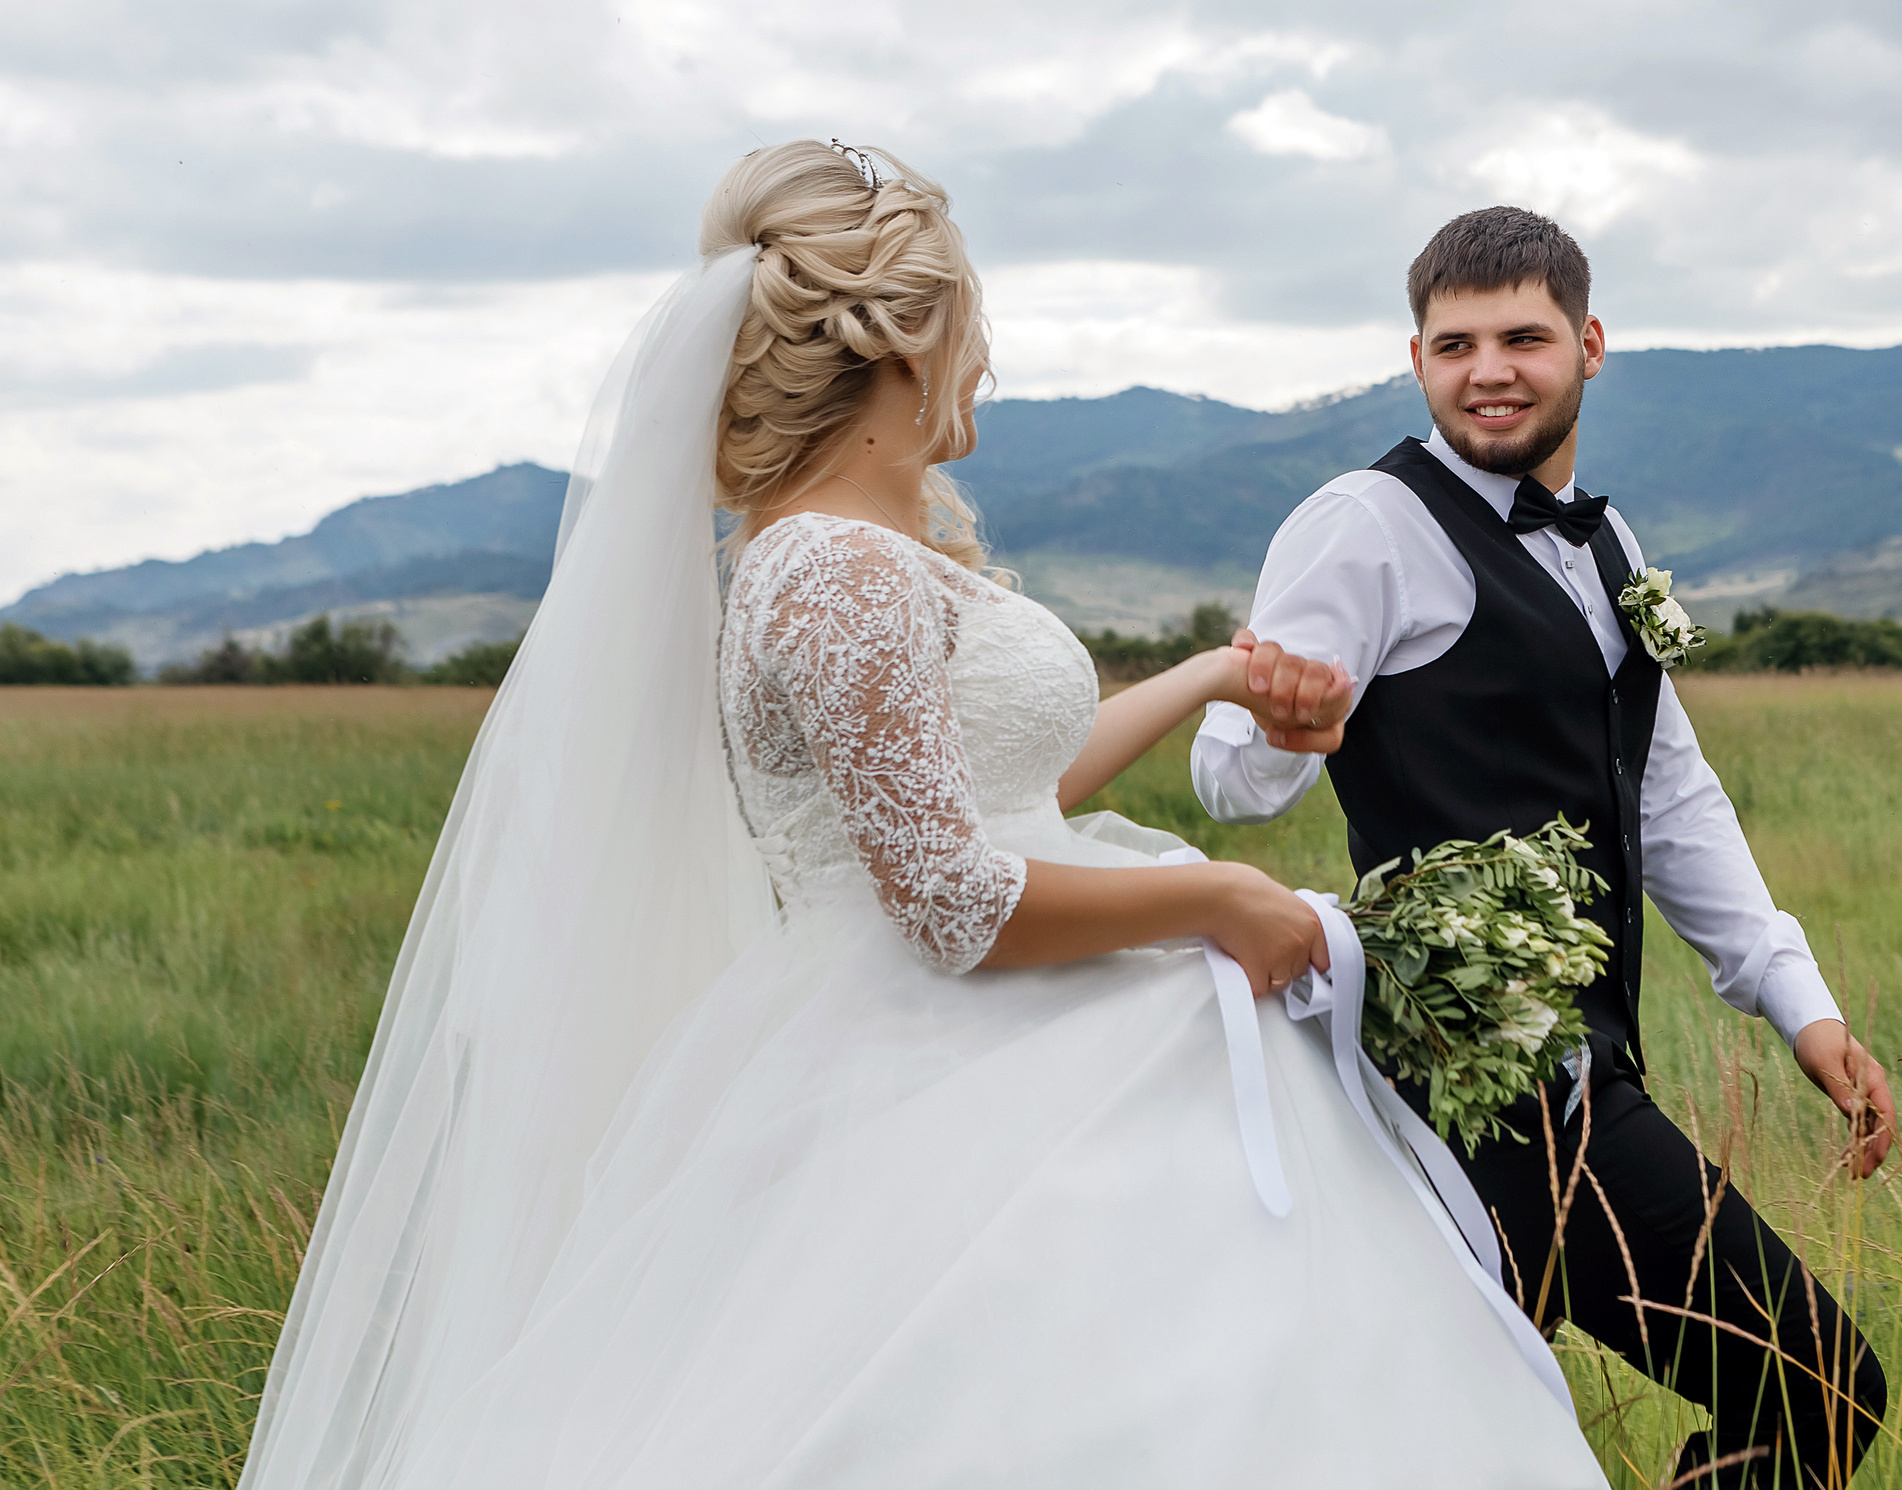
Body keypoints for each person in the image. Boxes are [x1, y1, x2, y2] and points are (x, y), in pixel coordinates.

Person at [237, 144, 1606, 1489]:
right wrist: (1221, 898)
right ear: (902, 346)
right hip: (947, 1054)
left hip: (1017, 1014)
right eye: (967, 324)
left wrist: (1211, 677)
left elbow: (1017, 791)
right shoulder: (837, 569)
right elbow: (951, 897)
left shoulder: (848, 553)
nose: (983, 361)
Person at [1193, 206, 1897, 1488]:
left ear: (1590, 342)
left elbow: (1668, 796)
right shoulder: (1361, 524)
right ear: (1416, 361)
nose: (1488, 369)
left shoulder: (1607, 544)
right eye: (1453, 343)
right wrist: (1292, 724)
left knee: (1497, 1444)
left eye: (1521, 335)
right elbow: (1230, 780)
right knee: (1813, 1381)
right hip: (1455, 1088)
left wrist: (1800, 1005)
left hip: (1587, 1073)